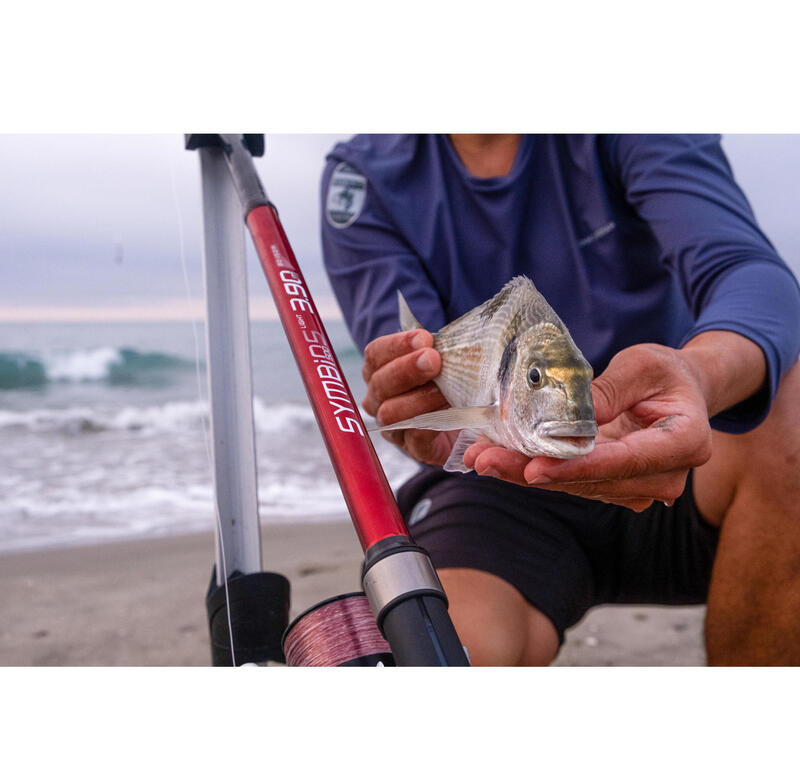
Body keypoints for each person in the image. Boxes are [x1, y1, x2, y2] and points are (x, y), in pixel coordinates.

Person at [320, 134, 800, 666]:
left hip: (675, 448)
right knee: (443, 655)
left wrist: (697, 374)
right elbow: (410, 372)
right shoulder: (361, 177)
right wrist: (416, 405)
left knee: (792, 395)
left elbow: (752, 276)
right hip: (492, 478)